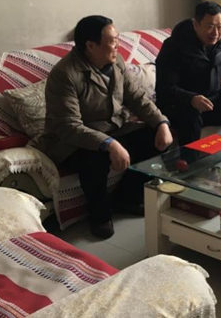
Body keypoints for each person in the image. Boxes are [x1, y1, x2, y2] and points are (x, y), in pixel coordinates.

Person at [41, 15, 173, 239]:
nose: (117, 46)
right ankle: (100, 215)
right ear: (90, 46)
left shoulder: (116, 61)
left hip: (114, 128)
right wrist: (109, 144)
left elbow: (137, 97)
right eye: (112, 41)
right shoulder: (66, 74)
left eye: (117, 39)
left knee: (158, 139)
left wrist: (161, 123)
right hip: (72, 141)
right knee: (95, 159)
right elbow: (69, 126)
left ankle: (126, 197)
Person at [155, 1, 221, 143]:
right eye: (210, 26)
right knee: (190, 116)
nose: (216, 33)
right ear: (196, 24)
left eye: (220, 26)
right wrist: (192, 99)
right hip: (182, 105)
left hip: (213, 102)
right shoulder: (174, 46)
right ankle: (190, 157)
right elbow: (165, 88)